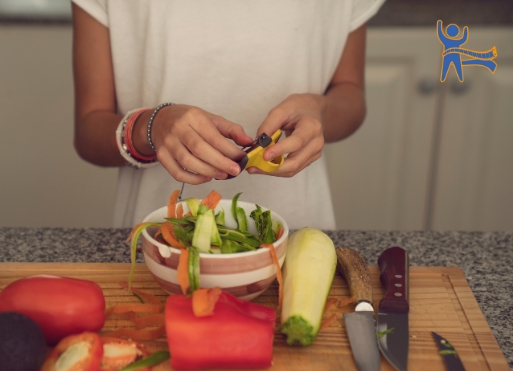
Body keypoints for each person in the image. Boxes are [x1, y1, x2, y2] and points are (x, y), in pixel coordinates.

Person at [71, 0, 385, 229]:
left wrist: (321, 113)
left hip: (297, 232)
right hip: (157, 237)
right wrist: (153, 126)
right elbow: (89, 132)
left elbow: (350, 93)